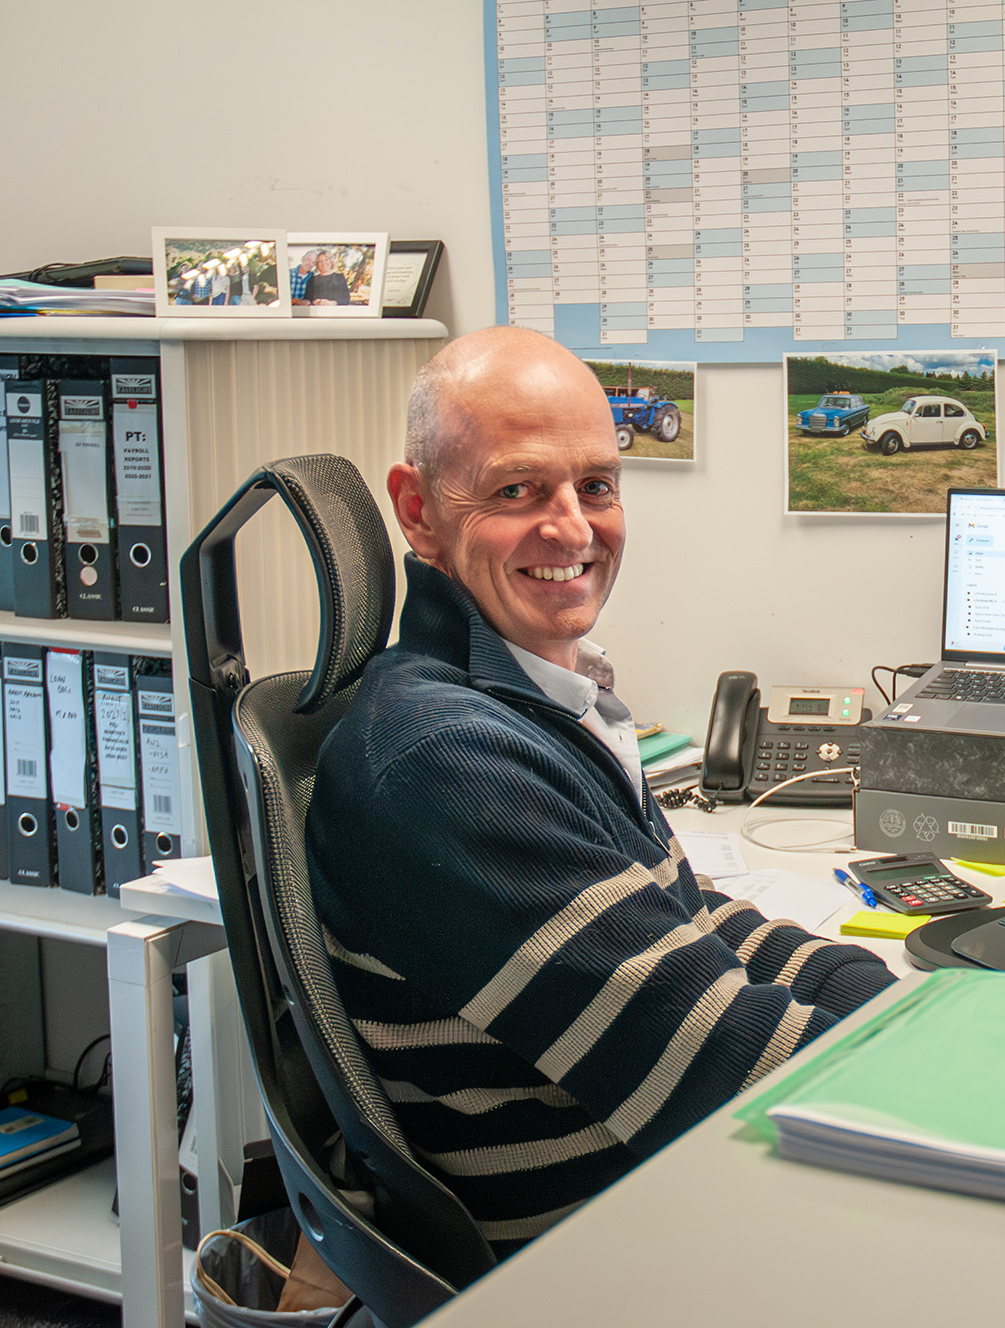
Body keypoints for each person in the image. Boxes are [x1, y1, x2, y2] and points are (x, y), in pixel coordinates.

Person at [305, 327, 896, 1252]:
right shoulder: (446, 763)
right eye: (516, 490)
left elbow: (694, 924)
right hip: (615, 1250)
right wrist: (945, 1056)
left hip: (664, 1198)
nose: (574, 530)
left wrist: (893, 1003)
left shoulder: (533, 705)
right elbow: (732, 1066)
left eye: (596, 486)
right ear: (418, 511)